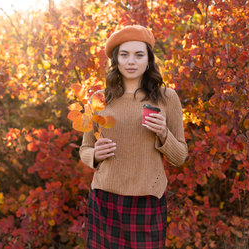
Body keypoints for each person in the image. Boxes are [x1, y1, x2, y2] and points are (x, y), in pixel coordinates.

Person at [79, 25, 188, 249]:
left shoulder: (167, 97)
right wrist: (95, 155)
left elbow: (180, 157)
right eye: (124, 54)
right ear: (116, 60)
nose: (131, 61)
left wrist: (163, 134)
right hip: (104, 198)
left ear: (148, 60)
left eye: (139, 55)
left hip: (147, 200)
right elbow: (85, 150)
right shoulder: (99, 99)